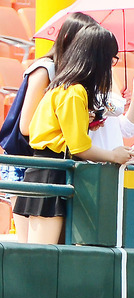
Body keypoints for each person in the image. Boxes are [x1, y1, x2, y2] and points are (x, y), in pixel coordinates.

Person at [13, 24, 134, 245]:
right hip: (50, 174)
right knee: (42, 255)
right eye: (111, 59)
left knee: (46, 255)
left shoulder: (64, 87)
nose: (111, 66)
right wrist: (114, 155)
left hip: (48, 171)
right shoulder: (74, 91)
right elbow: (80, 147)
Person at [0, 12, 97, 241]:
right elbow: (26, 126)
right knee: (28, 245)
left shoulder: (65, 75)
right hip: (26, 162)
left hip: (42, 165)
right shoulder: (45, 69)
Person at [89, 57, 134, 150]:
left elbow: (128, 128)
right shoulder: (86, 94)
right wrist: (121, 99)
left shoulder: (111, 97)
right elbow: (117, 108)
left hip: (115, 158)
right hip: (94, 158)